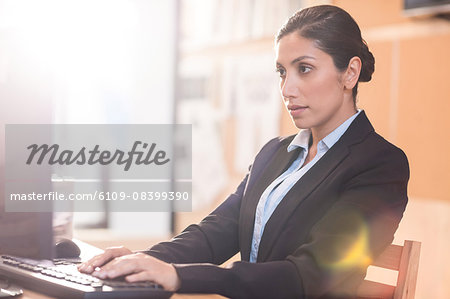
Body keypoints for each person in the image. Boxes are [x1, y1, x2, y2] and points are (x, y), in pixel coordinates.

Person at [78, 5, 409, 298]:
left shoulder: (380, 165)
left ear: (349, 73)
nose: (286, 89)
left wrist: (179, 276)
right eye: (282, 72)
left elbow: (309, 275)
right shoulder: (275, 153)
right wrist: (146, 260)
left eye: (303, 69)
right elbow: (215, 233)